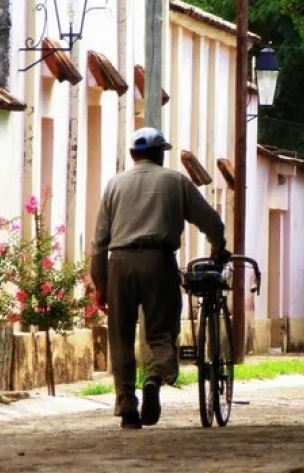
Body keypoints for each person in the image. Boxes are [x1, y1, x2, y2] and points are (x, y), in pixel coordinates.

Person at [90, 126, 229, 430]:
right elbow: (211, 222)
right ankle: (154, 377)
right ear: (160, 154)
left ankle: (127, 407)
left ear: (132, 154)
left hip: (119, 262)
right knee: (162, 333)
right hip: (158, 261)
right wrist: (219, 247)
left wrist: (100, 284)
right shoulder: (176, 181)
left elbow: (99, 240)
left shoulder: (115, 185)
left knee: (121, 337)